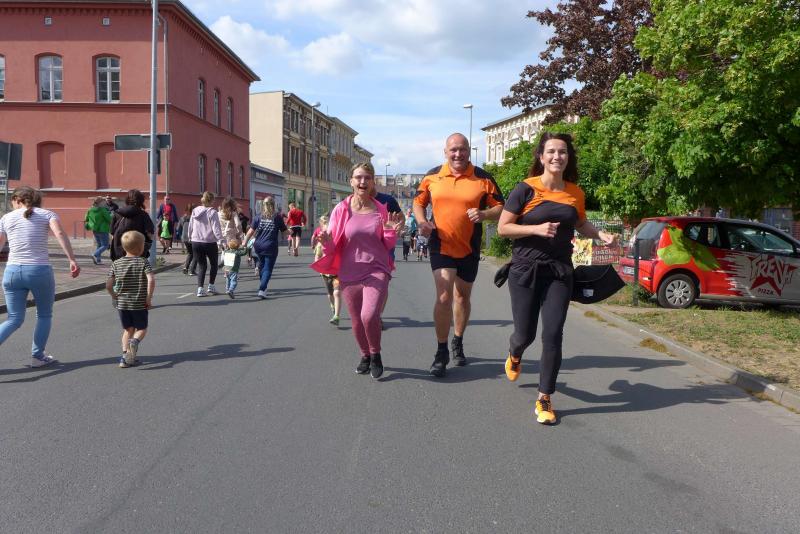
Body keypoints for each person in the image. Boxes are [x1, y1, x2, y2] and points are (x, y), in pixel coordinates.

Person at [497, 132, 617, 425]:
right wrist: (535, 230)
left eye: (562, 152)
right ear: (541, 157)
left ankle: (544, 397)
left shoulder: (575, 193)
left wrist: (600, 234)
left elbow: (581, 223)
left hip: (559, 271)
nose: (557, 157)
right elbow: (503, 228)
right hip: (525, 269)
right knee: (525, 334)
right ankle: (515, 353)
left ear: (568, 158)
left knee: (552, 334)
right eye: (551, 151)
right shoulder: (525, 189)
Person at [413, 133, 505, 377]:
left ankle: (458, 340)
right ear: (445, 152)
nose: (458, 154)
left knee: (462, 297)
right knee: (444, 297)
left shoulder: (483, 178)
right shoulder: (432, 176)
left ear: (469, 151)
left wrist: (484, 214)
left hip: (469, 247)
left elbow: (500, 207)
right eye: (453, 149)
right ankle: (441, 351)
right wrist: (422, 222)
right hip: (441, 244)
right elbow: (418, 202)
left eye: (462, 149)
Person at [311, 163, 403, 379]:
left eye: (367, 178)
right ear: (351, 181)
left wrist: (391, 232)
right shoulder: (341, 209)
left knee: (369, 315)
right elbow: (333, 244)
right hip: (349, 272)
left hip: (376, 269)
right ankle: (365, 355)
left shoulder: (381, 209)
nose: (363, 182)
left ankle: (376, 354)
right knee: (356, 320)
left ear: (372, 182)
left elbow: (387, 245)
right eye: (359, 177)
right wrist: (325, 241)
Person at [0, 186, 80, 367]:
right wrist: (72, 259)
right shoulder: (47, 214)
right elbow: (60, 233)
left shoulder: (5, 218)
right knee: (44, 314)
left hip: (12, 272)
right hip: (39, 270)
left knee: (13, 319)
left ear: (17, 199)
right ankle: (37, 356)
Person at [106, 230, 155, 368]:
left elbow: (108, 285)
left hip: (122, 303)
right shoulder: (143, 262)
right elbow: (151, 280)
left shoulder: (116, 263)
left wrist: (114, 296)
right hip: (139, 302)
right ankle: (135, 342)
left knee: (128, 329)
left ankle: (125, 357)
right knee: (142, 328)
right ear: (140, 248)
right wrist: (148, 297)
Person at [243, 196, 288, 299]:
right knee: (267, 268)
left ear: (263, 205)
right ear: (273, 205)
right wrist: (291, 231)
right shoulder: (277, 218)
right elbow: (285, 232)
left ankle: (264, 287)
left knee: (262, 267)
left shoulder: (258, 217)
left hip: (258, 246)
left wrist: (244, 242)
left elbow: (250, 232)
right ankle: (262, 289)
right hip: (271, 246)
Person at [189, 192, 223, 297]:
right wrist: (221, 241)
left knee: (202, 266)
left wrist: (190, 236)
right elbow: (216, 228)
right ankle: (211, 286)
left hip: (196, 241)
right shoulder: (212, 212)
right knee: (214, 264)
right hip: (209, 242)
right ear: (211, 200)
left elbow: (191, 225)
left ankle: (200, 289)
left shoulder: (195, 210)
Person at [312, 214, 342, 325]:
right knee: (330, 294)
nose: (329, 235)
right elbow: (317, 256)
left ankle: (336, 316)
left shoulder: (337, 243)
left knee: (337, 292)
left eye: (330, 233)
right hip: (326, 273)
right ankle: (333, 306)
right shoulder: (320, 244)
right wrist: (319, 267)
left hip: (337, 272)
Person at [110, 189, 155, 261]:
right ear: (141, 200)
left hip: (119, 254)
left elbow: (112, 233)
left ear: (127, 199)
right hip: (138, 254)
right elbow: (150, 234)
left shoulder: (117, 213)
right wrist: (148, 244)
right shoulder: (143, 215)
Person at [84, 196, 113, 264]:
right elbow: (109, 219)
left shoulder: (90, 210)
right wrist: (111, 215)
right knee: (105, 245)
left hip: (94, 229)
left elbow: (86, 218)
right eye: (103, 201)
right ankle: (95, 254)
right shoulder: (102, 210)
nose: (104, 202)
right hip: (103, 229)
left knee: (99, 245)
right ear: (100, 202)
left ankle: (98, 260)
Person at [180, 204, 195, 275]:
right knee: (195, 254)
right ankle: (192, 270)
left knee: (190, 253)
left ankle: (186, 267)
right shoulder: (194, 218)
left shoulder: (183, 218)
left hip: (184, 237)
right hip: (192, 237)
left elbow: (178, 227)